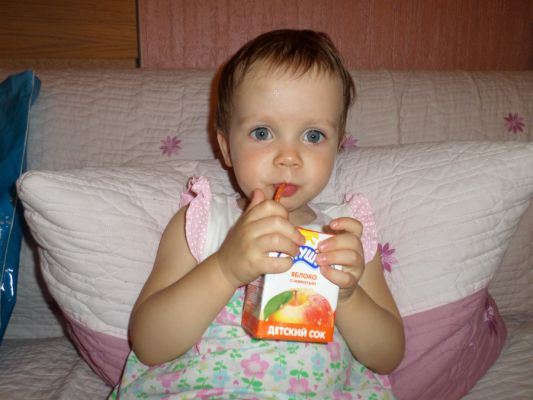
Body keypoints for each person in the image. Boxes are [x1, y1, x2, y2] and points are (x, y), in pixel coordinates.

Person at [110, 29, 404, 399]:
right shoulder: (203, 222)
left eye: (313, 136)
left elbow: (387, 357)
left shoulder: (344, 233)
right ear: (225, 148)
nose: (289, 157)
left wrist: (346, 297)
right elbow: (149, 344)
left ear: (338, 147)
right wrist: (225, 268)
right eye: (262, 133)